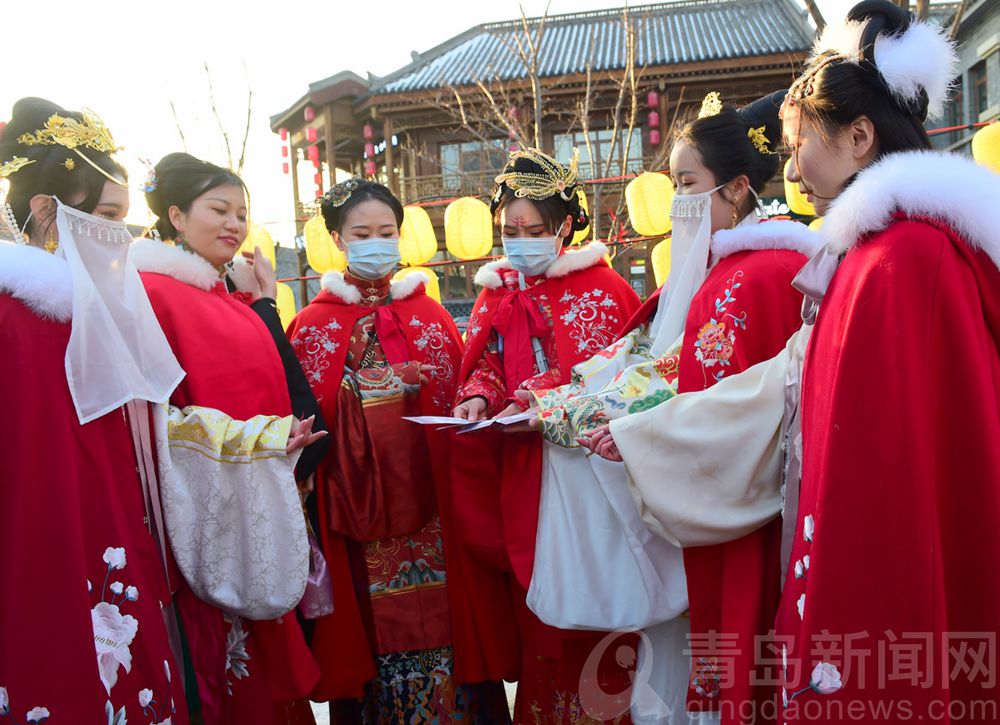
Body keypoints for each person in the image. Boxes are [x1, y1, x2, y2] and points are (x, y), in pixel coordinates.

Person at [540, 91, 819, 725]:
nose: (676, 202)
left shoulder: (759, 275)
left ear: (739, 187)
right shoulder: (738, 267)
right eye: (672, 184)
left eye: (686, 182)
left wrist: (637, 430)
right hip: (716, 484)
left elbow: (723, 403)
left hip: (740, 495)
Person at [767, 2, 999, 721]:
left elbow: (887, 501)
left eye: (797, 142)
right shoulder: (879, 253)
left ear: (859, 135)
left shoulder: (902, 264)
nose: (791, 167)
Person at [286, 178, 510, 723]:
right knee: (371, 634)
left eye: (387, 232)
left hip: (435, 510)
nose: (375, 242)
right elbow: (305, 426)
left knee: (449, 627)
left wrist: (475, 397)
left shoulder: (430, 314)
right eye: (361, 232)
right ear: (337, 238)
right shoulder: (311, 328)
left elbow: (463, 389)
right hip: (359, 517)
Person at [0, 98, 188, 723]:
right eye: (106, 216)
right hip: (35, 553)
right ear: (46, 212)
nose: (119, 236)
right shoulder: (13, 318)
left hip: (110, 537)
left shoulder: (95, 315)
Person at [450, 147, 642, 723]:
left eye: (534, 229)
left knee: (595, 595)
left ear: (564, 225)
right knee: (540, 605)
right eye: (510, 229)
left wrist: (538, 394)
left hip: (587, 474)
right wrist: (478, 392)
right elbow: (484, 358)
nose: (520, 239)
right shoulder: (495, 292)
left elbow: (619, 377)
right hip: (525, 474)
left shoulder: (604, 289)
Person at [132, 152, 324, 725]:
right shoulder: (153, 294)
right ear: (175, 214)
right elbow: (155, 419)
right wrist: (259, 444)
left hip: (258, 493)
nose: (235, 224)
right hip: (206, 511)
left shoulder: (226, 301)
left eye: (242, 212)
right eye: (218, 209)